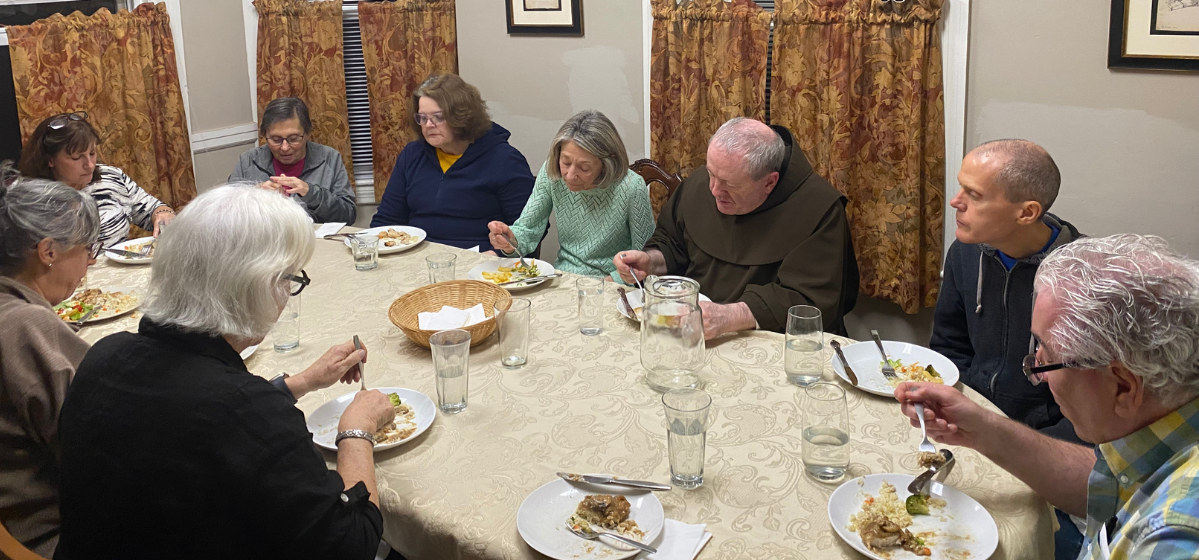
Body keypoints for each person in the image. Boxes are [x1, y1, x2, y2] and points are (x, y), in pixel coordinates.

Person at [55, 184, 401, 560]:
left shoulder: (105, 355)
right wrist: (356, 431)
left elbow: (192, 422)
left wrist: (300, 383)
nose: (288, 293)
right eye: (288, 279)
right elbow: (352, 544)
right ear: (254, 286)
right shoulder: (245, 411)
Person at [897, 234, 1199, 560]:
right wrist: (983, 427)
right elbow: (1112, 484)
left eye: (1046, 357)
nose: (1038, 373)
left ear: (1124, 387)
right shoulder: (1168, 430)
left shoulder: (1175, 538)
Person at [614, 117, 858, 338]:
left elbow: (809, 302)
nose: (714, 190)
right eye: (711, 174)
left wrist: (731, 317)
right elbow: (673, 243)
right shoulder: (704, 184)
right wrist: (651, 261)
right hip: (690, 331)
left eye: (730, 184)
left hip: (771, 342)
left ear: (769, 182)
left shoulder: (819, 209)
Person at [930, 140, 1083, 441]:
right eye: (961, 188)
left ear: (1026, 213)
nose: (955, 202)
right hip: (970, 421)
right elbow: (949, 345)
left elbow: (1090, 406)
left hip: (1045, 440)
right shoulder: (965, 252)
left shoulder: (1083, 278)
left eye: (974, 195)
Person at [0, 162, 98, 556]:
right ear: (48, 251)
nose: (90, 264)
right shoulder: (25, 327)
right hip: (51, 533)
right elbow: (100, 446)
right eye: (87, 250)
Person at [373, 74, 534, 250]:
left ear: (462, 117)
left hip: (477, 260)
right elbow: (387, 220)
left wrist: (500, 255)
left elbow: (528, 231)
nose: (428, 125)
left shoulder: (505, 160)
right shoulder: (412, 155)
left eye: (438, 117)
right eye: (422, 118)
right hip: (416, 258)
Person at [487, 110, 654, 279]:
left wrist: (614, 280)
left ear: (607, 163)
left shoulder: (631, 187)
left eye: (584, 168)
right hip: (565, 277)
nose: (570, 175)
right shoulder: (551, 172)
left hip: (614, 282)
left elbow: (644, 257)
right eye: (565, 162)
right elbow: (528, 229)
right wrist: (510, 241)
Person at [19, 111, 175, 247]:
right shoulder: (32, 201)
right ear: (50, 160)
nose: (90, 164)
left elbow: (153, 208)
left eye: (92, 153)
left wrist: (163, 213)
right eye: (77, 157)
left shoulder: (110, 177)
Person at [228, 97, 356, 225]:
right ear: (264, 135)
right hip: (264, 241)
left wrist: (312, 193)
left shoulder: (329, 158)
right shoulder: (248, 161)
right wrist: (253, 193)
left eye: (293, 138)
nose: (284, 147)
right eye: (276, 139)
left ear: (307, 134)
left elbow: (348, 216)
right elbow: (225, 214)